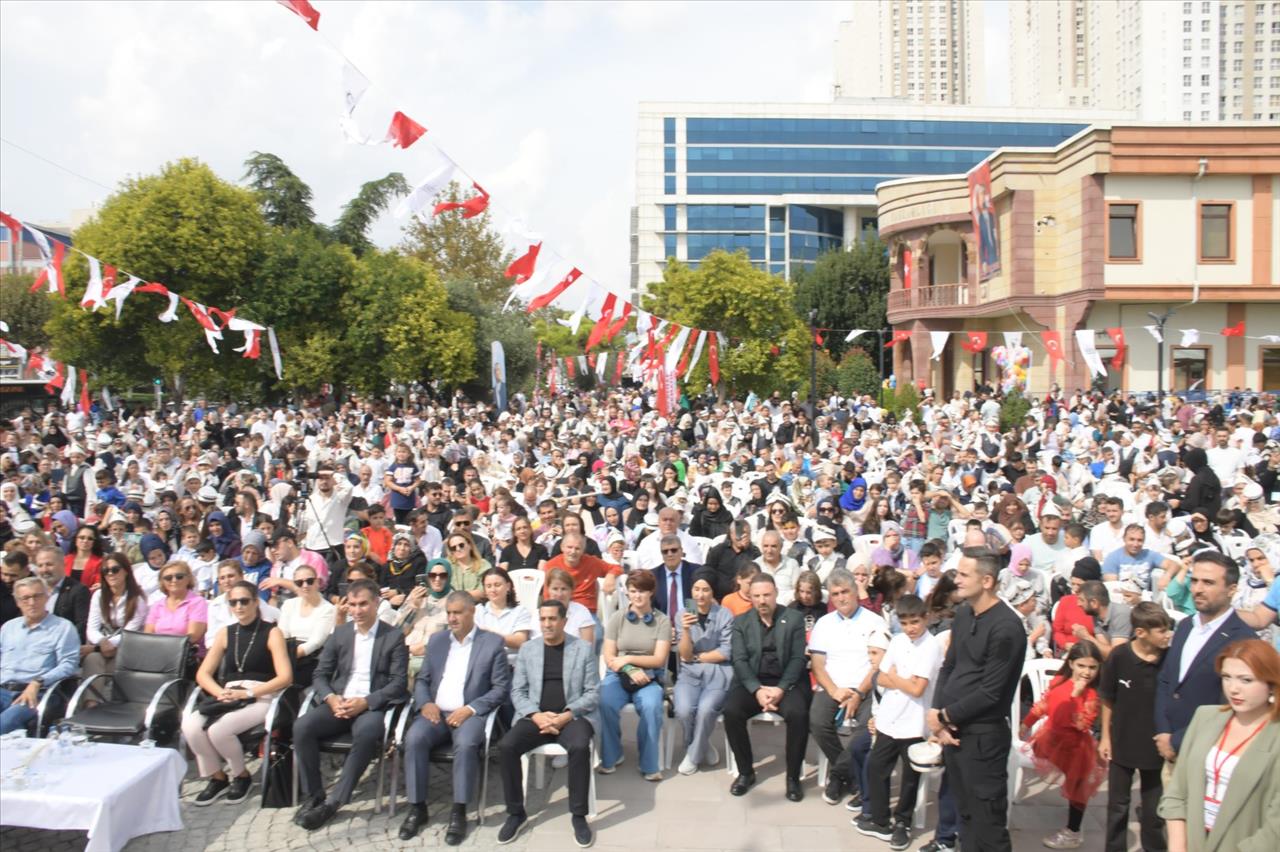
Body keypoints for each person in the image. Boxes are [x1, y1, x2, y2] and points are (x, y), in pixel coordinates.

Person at [927, 546, 1026, 852]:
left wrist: (945, 716)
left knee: (988, 822)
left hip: (983, 738)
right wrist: (936, 714)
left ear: (987, 581)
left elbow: (991, 692)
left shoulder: (1006, 627)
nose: (956, 579)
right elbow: (950, 665)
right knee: (965, 814)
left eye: (963, 574)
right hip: (954, 731)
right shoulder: (964, 613)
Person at [294, 579, 409, 831]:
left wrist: (365, 702)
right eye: (353, 605)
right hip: (339, 701)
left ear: (377, 603)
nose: (357, 611)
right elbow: (321, 674)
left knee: (367, 733)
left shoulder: (393, 636)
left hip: (370, 704)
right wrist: (330, 698)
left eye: (363, 604)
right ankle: (315, 794)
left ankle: (334, 802)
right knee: (302, 727)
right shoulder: (341, 634)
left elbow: (398, 683)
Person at [398, 591, 510, 844]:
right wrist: (426, 702)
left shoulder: (491, 643)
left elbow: (501, 688)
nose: (452, 618)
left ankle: (459, 810)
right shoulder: (437, 641)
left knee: (467, 744)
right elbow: (423, 679)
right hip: (435, 712)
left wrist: (470, 709)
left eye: (457, 612)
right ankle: (417, 808)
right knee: (413, 739)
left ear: (472, 612)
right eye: (449, 613)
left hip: (469, 713)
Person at [496, 599, 600, 849]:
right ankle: (516, 813)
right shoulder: (528, 650)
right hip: (536, 718)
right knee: (506, 746)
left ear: (564, 621)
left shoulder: (582, 649)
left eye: (552, 619)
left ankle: (578, 815)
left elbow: (593, 692)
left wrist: (566, 715)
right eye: (543, 619)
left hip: (572, 717)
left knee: (578, 747)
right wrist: (536, 715)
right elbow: (518, 691)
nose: (547, 624)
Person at [1158, 639, 1280, 851]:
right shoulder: (1205, 717)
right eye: (1226, 677)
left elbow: (1274, 830)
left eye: (1246, 680)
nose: (1233, 689)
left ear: (1271, 683)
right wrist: (1178, 847)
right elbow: (1176, 792)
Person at [183, 581, 293, 805]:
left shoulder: (272, 632)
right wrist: (220, 692)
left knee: (219, 730)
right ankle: (217, 777)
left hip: (260, 694)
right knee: (191, 725)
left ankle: (241, 775)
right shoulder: (225, 633)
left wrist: (249, 693)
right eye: (233, 602)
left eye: (244, 601)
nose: (239, 606)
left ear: (255, 602)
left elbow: (284, 677)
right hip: (228, 693)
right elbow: (203, 673)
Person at [855, 594, 942, 851]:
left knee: (909, 777)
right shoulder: (898, 641)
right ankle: (881, 820)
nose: (910, 628)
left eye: (915, 622)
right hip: (889, 718)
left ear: (925, 618)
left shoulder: (930, 646)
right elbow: (880, 677)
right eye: (904, 623)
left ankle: (903, 822)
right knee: (876, 767)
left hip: (915, 721)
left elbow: (918, 689)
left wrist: (896, 678)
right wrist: (900, 680)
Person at [1155, 550, 1257, 760]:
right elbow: (1166, 680)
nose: (1197, 589)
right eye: (1194, 581)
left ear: (1232, 589)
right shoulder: (1184, 626)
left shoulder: (1244, 641)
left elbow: (1233, 706)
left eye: (1208, 583)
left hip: (1212, 754)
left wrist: (1177, 741)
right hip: (1168, 749)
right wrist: (1164, 731)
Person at [724, 573, 810, 802]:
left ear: (776, 594)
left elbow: (797, 659)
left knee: (799, 714)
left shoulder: (793, 619)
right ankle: (745, 772)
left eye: (767, 595)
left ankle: (793, 777)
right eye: (757, 596)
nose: (762, 601)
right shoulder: (741, 622)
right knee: (731, 711)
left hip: (786, 683)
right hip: (753, 681)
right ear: (750, 598)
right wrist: (757, 690)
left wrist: (780, 689)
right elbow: (739, 660)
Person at [1099, 601, 1174, 852]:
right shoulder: (1119, 657)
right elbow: (1108, 698)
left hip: (1156, 747)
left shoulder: (1170, 659)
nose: (1167, 636)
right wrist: (1105, 738)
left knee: (1154, 812)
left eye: (1167, 629)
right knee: (1117, 807)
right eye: (1161, 631)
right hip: (1122, 742)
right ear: (1141, 632)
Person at [810, 567, 887, 807]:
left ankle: (837, 775)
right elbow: (818, 665)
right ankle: (850, 773)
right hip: (833, 687)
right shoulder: (823, 623)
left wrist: (859, 693)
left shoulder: (874, 620)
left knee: (864, 732)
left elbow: (878, 665)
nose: (841, 598)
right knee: (817, 721)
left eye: (845, 591)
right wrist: (834, 691)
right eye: (835, 594)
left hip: (865, 689)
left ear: (855, 591)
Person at [1019, 641, 1107, 849]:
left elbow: (1083, 723)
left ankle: (1072, 831)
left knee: (1078, 785)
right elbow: (1044, 705)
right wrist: (1026, 723)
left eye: (1092, 667)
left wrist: (1076, 696)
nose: (1087, 672)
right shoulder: (1059, 681)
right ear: (1072, 664)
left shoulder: (1091, 695)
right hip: (1051, 739)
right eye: (1082, 666)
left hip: (1075, 746)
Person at [599, 568, 671, 781]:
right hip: (618, 673)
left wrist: (629, 660)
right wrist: (628, 668)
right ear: (627, 593)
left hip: (648, 675)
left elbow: (658, 659)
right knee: (605, 701)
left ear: (651, 593)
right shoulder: (617, 618)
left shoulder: (662, 621)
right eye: (633, 591)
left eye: (642, 591)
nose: (637, 595)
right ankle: (612, 755)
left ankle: (649, 763)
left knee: (651, 706)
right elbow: (609, 656)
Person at [0, 576, 78, 734]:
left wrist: (38, 682)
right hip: (3, 690)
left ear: (47, 596)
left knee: (3, 724)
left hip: (39, 692)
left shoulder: (62, 627)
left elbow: (68, 665)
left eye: (37, 596)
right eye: (25, 598)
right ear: (17, 602)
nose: (31, 602)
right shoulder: (9, 627)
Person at [673, 569, 733, 775]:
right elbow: (685, 654)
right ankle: (702, 745)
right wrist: (686, 631)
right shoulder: (683, 614)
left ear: (712, 592)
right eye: (696, 589)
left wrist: (699, 657)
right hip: (690, 673)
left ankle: (692, 756)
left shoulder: (724, 614)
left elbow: (726, 651)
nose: (700, 595)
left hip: (718, 672)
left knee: (706, 709)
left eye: (705, 590)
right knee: (683, 709)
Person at [82, 552, 150, 693]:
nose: (111, 574)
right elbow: (92, 629)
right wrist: (101, 643)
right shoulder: (98, 596)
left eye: (115, 569)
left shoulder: (137, 599)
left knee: (103, 665)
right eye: (106, 571)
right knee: (92, 660)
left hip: (129, 648)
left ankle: (99, 702)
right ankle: (91, 705)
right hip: (103, 645)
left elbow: (129, 633)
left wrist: (101, 646)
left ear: (126, 571)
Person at [277, 564, 336, 687]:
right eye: (299, 583)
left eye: (309, 581)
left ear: (317, 582)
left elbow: (316, 642)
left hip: (311, 658)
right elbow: (283, 633)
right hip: (288, 651)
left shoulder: (328, 609)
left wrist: (288, 656)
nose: (305, 586)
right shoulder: (288, 604)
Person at [144, 560, 209, 651]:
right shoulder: (157, 605)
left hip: (185, 654)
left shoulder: (198, 602)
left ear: (188, 579)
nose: (174, 580)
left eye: (179, 576)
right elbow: (148, 634)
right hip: (157, 652)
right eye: (168, 578)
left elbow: (194, 636)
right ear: (162, 582)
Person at [33, 545, 90, 643]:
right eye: (40, 565)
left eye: (49, 564)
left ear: (63, 564)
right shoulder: (33, 591)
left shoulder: (78, 590)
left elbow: (81, 626)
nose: (44, 570)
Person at [1076, 580, 1133, 659]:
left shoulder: (1121, 614)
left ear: (1094, 603)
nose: (1078, 604)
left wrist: (1086, 636)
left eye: (1081, 600)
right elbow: (1103, 650)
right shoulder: (1096, 615)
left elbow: (1116, 655)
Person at [544, 568, 596, 646]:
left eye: (564, 589)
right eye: (555, 589)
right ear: (548, 590)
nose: (559, 594)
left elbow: (587, 647)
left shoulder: (582, 612)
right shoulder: (539, 613)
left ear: (571, 591)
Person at [64, 523, 104, 588]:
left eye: (90, 538)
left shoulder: (99, 562)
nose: (85, 541)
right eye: (82, 537)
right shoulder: (65, 560)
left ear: (95, 542)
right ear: (76, 540)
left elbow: (97, 583)